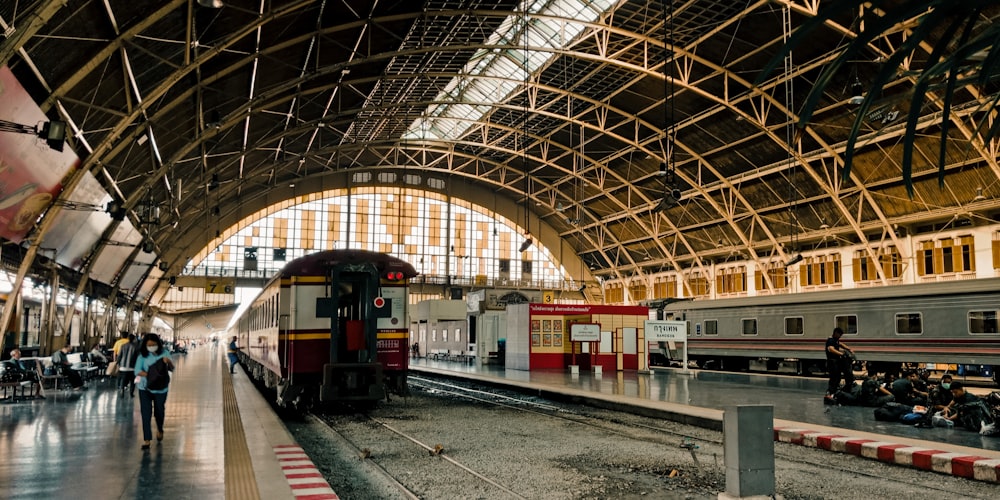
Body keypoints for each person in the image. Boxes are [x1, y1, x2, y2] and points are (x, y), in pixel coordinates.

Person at [135, 333, 174, 450]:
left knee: (159, 411)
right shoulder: (142, 356)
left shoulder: (165, 353)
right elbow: (137, 371)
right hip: (145, 388)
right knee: (146, 413)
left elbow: (172, 368)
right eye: (149, 345)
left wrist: (169, 362)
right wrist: (152, 375)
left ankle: (160, 429)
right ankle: (147, 439)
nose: (151, 346)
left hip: (161, 389)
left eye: (154, 344)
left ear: (158, 344)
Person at [824, 327, 854, 400]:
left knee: (838, 377)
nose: (840, 337)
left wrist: (848, 349)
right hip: (832, 362)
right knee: (834, 378)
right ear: (836, 333)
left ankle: (834, 392)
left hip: (836, 362)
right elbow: (831, 349)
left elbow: (841, 344)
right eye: (839, 335)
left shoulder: (835, 340)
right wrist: (841, 354)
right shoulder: (830, 340)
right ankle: (830, 393)